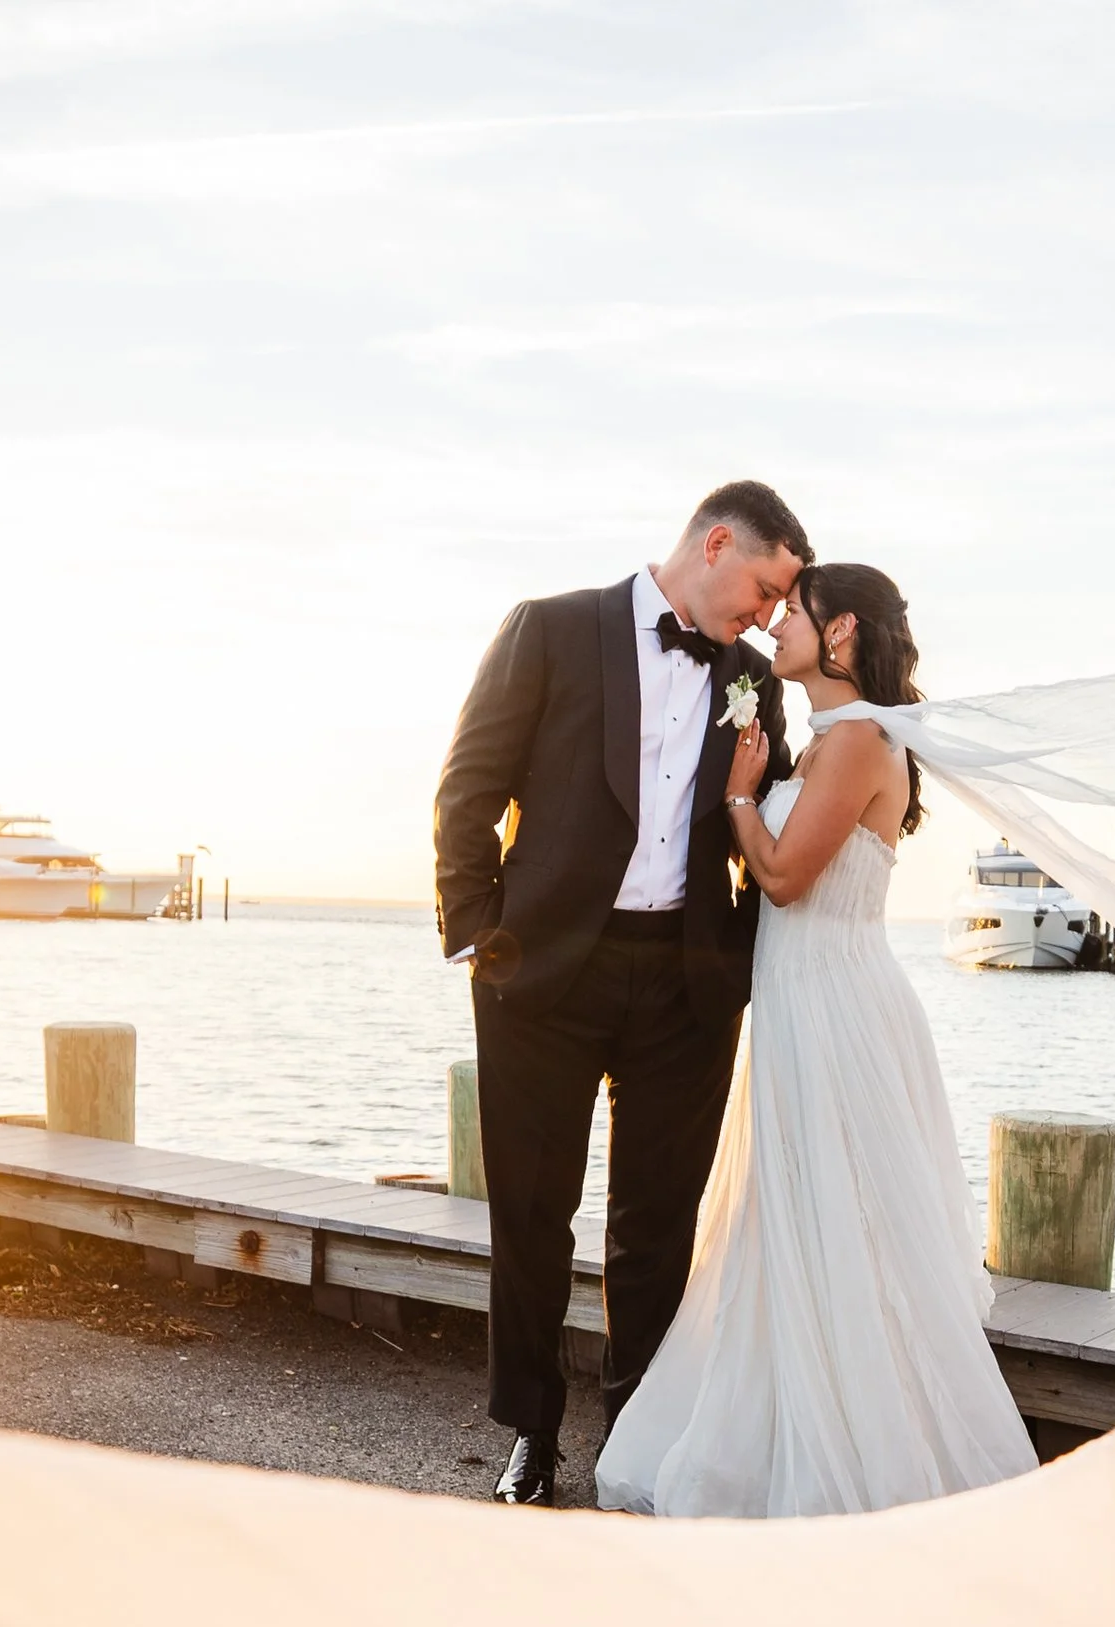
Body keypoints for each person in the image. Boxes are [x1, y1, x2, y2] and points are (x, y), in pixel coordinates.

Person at [593, 564, 1040, 1518]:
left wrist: (743, 797)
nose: (774, 623)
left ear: (839, 632)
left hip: (834, 1006)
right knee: (799, 1215)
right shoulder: (835, 739)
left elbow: (789, 881)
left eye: (791, 611)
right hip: (803, 997)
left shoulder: (860, 739)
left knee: (844, 1218)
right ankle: (787, 1423)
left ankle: (865, 1449)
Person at [433, 480, 810, 1507]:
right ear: (718, 542)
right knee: (531, 1212)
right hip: (544, 971)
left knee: (658, 1225)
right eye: (767, 588)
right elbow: (469, 787)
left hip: (686, 983)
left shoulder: (746, 676)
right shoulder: (550, 629)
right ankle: (531, 1431)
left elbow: (756, 802)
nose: (771, 617)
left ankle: (633, 1439)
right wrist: (476, 939)